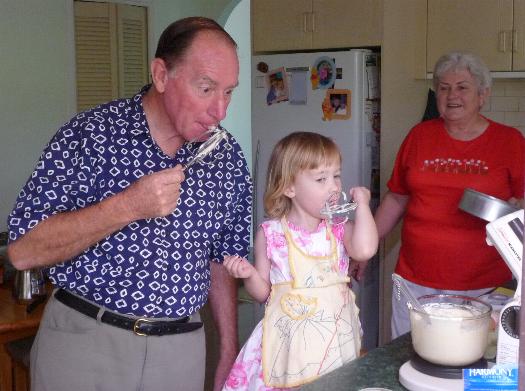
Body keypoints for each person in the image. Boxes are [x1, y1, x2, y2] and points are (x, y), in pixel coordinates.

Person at [7, 16, 252, 391]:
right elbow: (23, 251)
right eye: (206, 88)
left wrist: (229, 349)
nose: (220, 110)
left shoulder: (227, 158)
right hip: (86, 341)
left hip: (181, 351)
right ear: (161, 75)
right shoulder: (90, 135)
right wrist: (128, 206)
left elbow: (221, 259)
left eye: (229, 92)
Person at [374, 51, 525, 339]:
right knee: (404, 359)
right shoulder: (419, 136)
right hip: (414, 281)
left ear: (483, 94)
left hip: (485, 287)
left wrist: (515, 208)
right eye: (443, 88)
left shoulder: (510, 142)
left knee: (468, 366)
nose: (451, 95)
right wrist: (365, 248)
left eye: (462, 87)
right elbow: (396, 198)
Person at [221, 131, 378, 390]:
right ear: (289, 187)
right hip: (289, 350)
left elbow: (365, 249)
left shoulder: (338, 228)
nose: (334, 187)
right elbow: (264, 294)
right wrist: (249, 274)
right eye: (321, 179)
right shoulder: (271, 234)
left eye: (336, 176)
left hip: (334, 345)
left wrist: (362, 205)